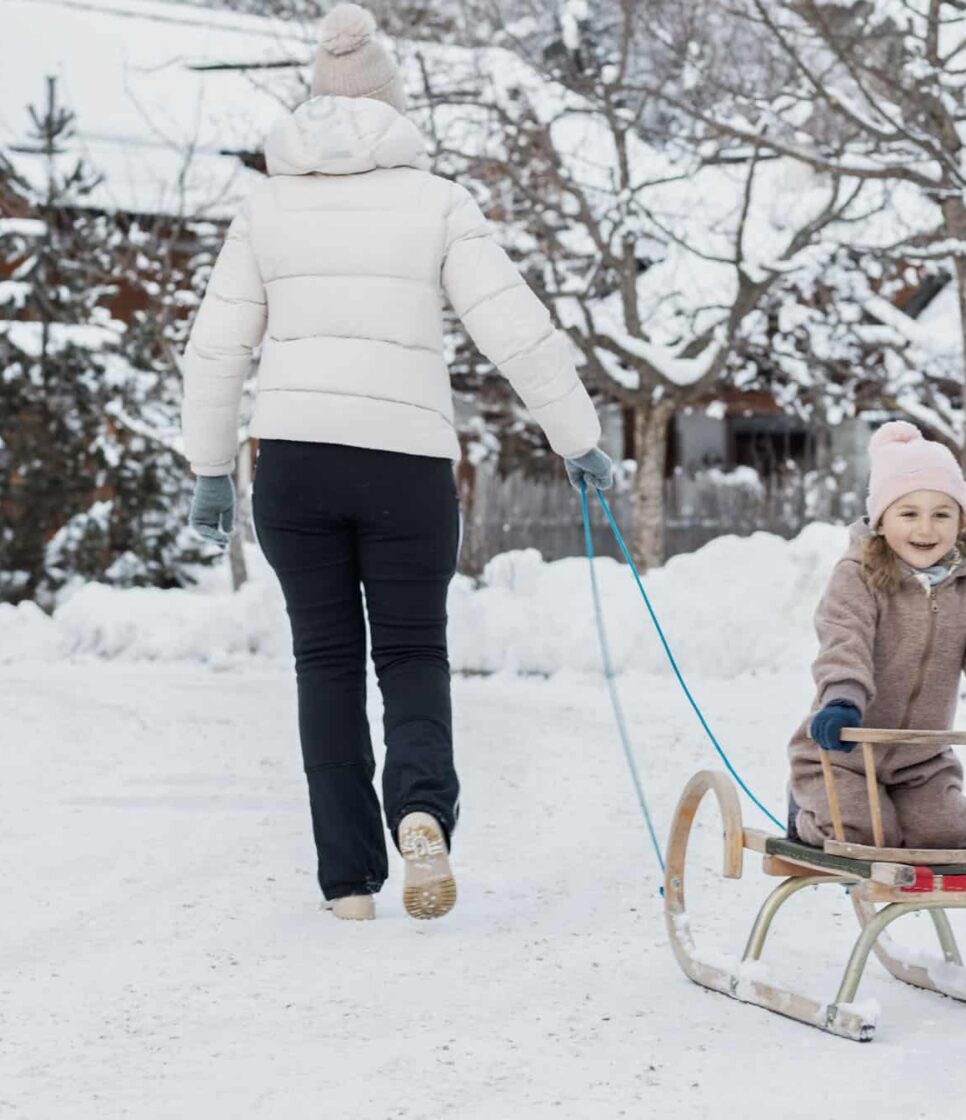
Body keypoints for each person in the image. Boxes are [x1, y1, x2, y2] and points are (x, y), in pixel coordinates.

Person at [178, 3, 615, 921]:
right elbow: (518, 331)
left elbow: (216, 348)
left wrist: (211, 468)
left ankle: (347, 882)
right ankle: (421, 814)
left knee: (324, 662)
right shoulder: (437, 202)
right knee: (412, 650)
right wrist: (577, 440)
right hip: (407, 464)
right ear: (396, 109)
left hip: (293, 464)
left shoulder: (265, 208)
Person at [788, 421, 966, 848]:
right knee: (862, 832)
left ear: (961, 522)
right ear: (881, 519)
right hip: (844, 753)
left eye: (941, 514)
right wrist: (842, 700)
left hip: (922, 759)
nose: (925, 530)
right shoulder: (858, 578)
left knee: (950, 835)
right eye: (909, 513)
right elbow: (845, 642)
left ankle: (904, 815)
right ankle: (807, 817)